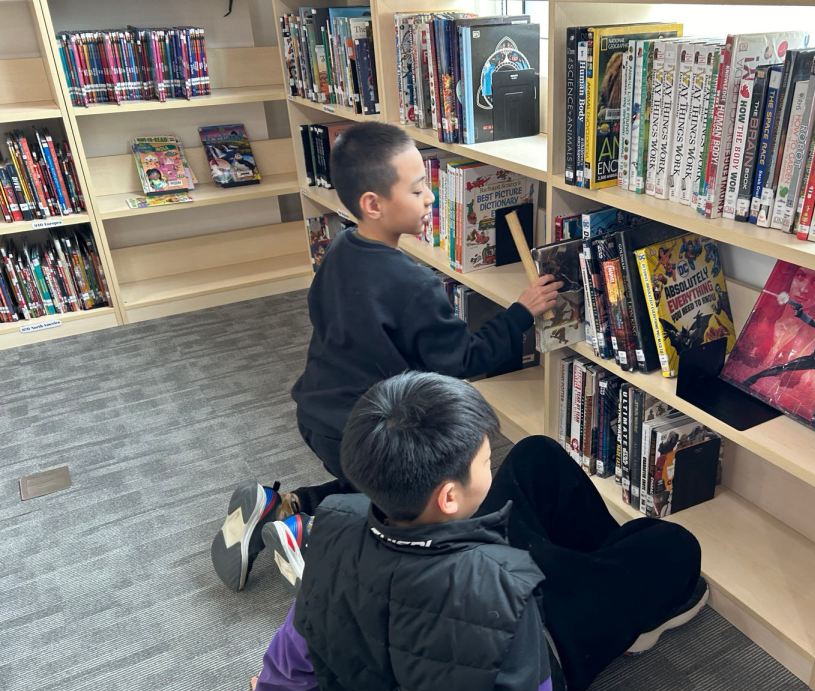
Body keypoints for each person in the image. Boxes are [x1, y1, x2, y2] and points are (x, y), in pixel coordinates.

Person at [235, 372, 707, 691]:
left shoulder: (336, 521)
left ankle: (598, 573)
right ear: (448, 497)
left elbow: (297, 637)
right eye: (484, 460)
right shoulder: (499, 601)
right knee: (675, 546)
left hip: (365, 690)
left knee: (536, 454)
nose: (490, 464)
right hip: (532, 650)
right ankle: (620, 609)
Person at [210, 123, 562, 592]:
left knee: (373, 486)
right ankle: (311, 535)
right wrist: (521, 313)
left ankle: (284, 506)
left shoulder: (339, 247)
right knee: (421, 507)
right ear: (374, 204)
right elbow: (463, 360)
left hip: (318, 413)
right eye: (417, 190)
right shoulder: (412, 283)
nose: (431, 198)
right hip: (367, 431)